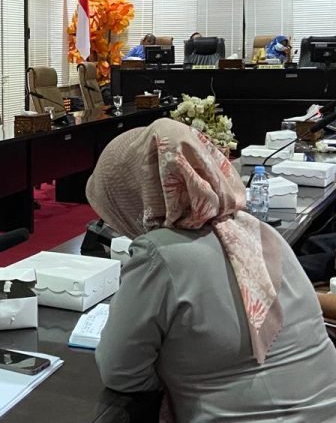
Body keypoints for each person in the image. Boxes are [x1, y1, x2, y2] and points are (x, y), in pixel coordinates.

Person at [86, 118, 336, 422]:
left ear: (135, 194)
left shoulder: (159, 254)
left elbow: (121, 372)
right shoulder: (257, 230)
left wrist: (172, 378)